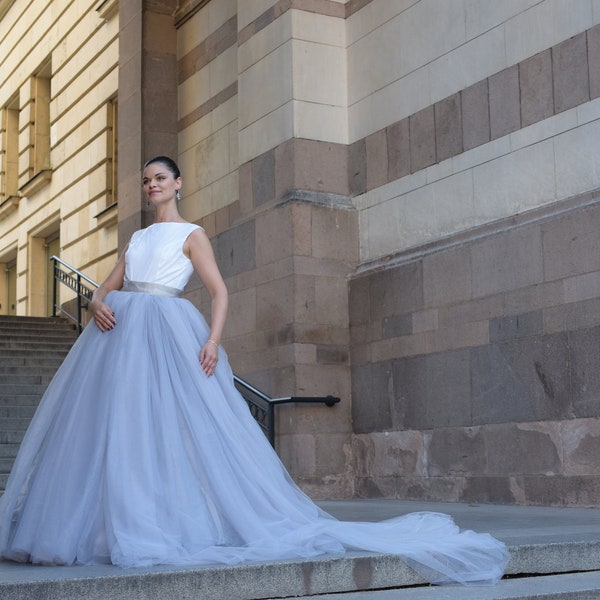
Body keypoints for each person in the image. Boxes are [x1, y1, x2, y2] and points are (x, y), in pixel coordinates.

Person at [0, 156, 509, 584]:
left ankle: (167, 523)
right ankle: (111, 528)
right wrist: (95, 305)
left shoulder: (191, 234)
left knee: (179, 429)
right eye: (147, 180)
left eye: (161, 178)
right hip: (122, 334)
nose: (152, 185)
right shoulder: (136, 239)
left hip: (172, 332)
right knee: (120, 430)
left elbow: (220, 291)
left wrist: (213, 341)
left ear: (178, 184)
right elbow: (106, 285)